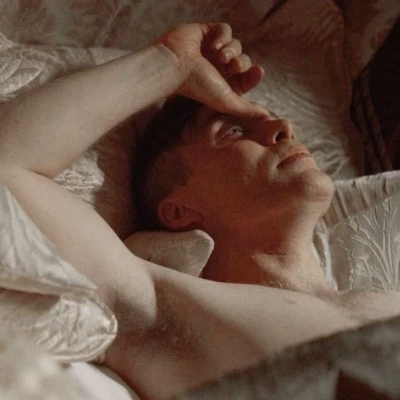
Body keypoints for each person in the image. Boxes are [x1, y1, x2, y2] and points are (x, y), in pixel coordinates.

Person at [0, 23, 399, 400]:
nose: (282, 128)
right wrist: (171, 61)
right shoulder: (166, 306)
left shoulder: (385, 302)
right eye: (234, 131)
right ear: (179, 210)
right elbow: (9, 167)